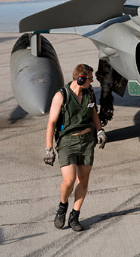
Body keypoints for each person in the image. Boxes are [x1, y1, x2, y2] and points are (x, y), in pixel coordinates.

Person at [44, 64, 107, 231]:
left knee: (83, 181)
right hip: (67, 142)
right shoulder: (61, 96)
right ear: (81, 78)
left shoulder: (89, 93)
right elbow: (51, 123)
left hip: (87, 142)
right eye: (90, 78)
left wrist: (100, 130)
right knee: (69, 180)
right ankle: (62, 207)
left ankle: (74, 216)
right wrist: (49, 148)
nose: (92, 81)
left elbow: (93, 112)